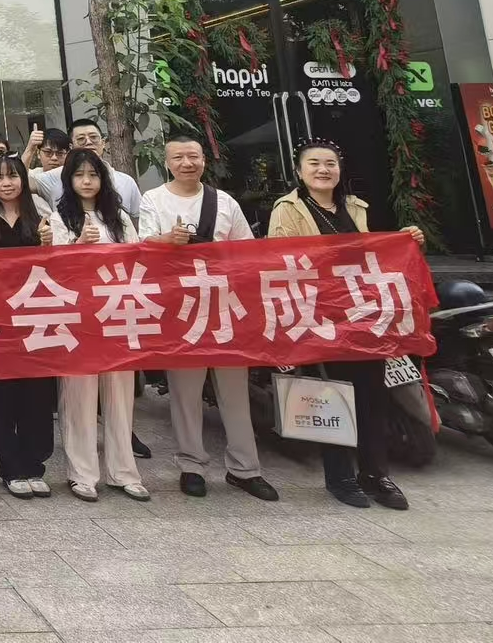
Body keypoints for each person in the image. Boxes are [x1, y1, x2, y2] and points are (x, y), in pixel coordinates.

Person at [269, 139, 425, 511]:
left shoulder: (356, 207)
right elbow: (278, 258)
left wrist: (407, 239)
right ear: (299, 171)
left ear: (340, 169)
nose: (323, 170)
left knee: (372, 395)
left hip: (363, 315)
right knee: (330, 394)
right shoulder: (287, 209)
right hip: (319, 316)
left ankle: (376, 474)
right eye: (314, 163)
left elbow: (378, 253)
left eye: (330, 163)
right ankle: (339, 477)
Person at [138, 133, 279, 503]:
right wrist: (166, 241)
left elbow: (247, 252)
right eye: (179, 157)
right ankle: (191, 465)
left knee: (235, 391)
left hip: (224, 306)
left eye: (194, 156)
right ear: (166, 163)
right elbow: (140, 246)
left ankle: (245, 468)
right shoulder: (153, 199)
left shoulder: (224, 201)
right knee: (185, 392)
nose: (187, 163)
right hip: (180, 307)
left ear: (204, 160)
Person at [41, 148, 149, 503]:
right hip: (77, 319)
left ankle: (124, 472)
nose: (87, 181)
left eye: (93, 174)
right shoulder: (60, 218)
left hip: (117, 315)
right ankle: (82, 474)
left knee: (120, 396)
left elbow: (137, 259)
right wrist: (77, 245)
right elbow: (53, 270)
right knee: (78, 397)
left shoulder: (118, 217)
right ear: (68, 180)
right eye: (79, 175)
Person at [0, 154, 56, 498]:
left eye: (13, 176)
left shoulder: (43, 218)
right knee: (2, 394)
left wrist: (49, 246)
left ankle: (34, 464)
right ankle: (10, 465)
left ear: (24, 179)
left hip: (35, 318)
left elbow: (57, 270)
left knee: (37, 394)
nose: (6, 183)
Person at [30, 119, 142, 217]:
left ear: (103, 143)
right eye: (81, 139)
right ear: (71, 147)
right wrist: (30, 150)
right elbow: (23, 184)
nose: (88, 142)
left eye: (93, 137)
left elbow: (138, 219)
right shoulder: (56, 176)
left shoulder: (126, 181)